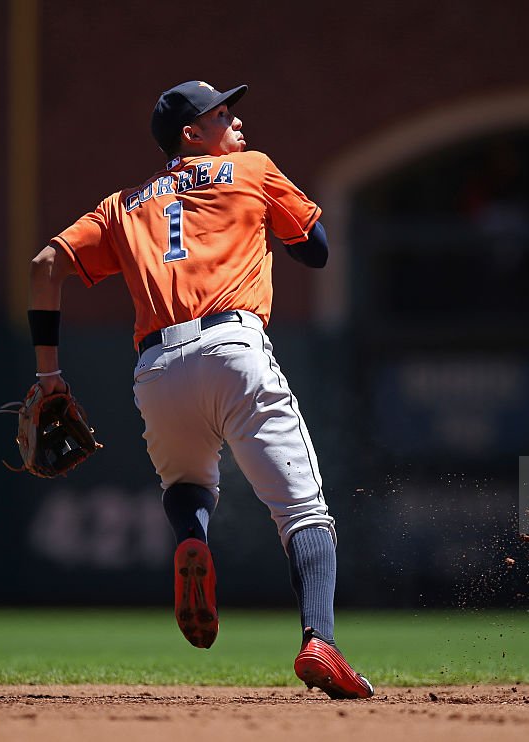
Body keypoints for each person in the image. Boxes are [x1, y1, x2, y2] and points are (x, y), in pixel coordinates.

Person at [27, 80, 374, 700]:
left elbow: (44, 266)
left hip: (158, 369)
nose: (237, 122)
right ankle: (318, 639)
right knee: (302, 512)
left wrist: (48, 374)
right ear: (193, 134)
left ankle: (192, 541)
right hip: (234, 348)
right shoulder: (250, 170)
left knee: (187, 485)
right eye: (222, 114)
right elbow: (316, 252)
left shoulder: (121, 205)